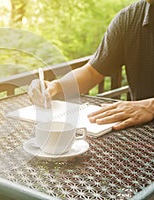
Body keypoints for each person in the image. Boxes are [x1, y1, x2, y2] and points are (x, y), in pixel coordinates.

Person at [28, 0, 154, 130]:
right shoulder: (129, 19)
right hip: (141, 130)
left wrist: (151, 106)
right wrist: (56, 86)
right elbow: (91, 72)